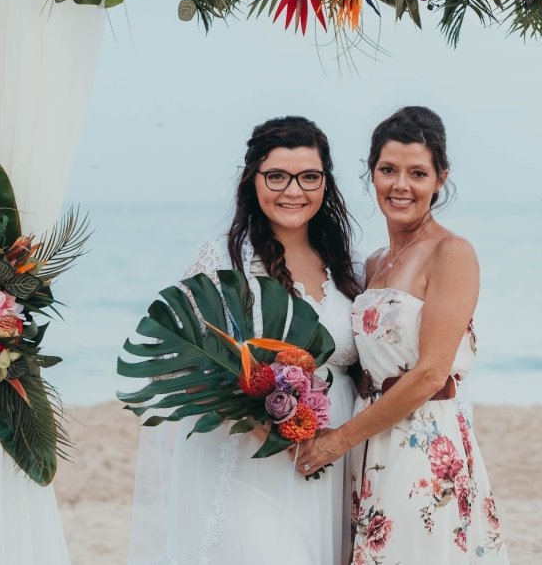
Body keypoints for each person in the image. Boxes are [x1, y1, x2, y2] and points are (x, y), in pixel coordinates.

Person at [128, 116, 361, 565]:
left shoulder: (346, 262)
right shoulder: (223, 258)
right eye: (277, 176)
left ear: (326, 183)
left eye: (309, 177)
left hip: (332, 458)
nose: (294, 190)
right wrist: (261, 420)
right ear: (252, 179)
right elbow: (178, 357)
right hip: (248, 457)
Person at [296, 106, 509, 563]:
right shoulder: (373, 262)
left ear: (440, 178)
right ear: (371, 173)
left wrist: (339, 440)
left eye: (417, 173)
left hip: (423, 438)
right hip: (371, 436)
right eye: (388, 170)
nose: (400, 185)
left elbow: (432, 371)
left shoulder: (452, 253)